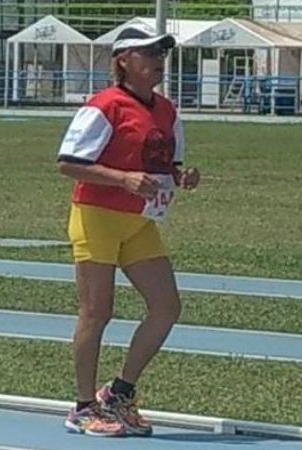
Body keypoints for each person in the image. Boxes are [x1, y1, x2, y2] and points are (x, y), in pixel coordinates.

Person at [57, 24, 201, 436]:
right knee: (96, 312)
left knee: (167, 306)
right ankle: (83, 407)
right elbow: (68, 162)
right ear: (124, 61)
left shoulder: (166, 110)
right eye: (149, 54)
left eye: (161, 55)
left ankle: (119, 393)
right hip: (97, 216)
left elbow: (163, 164)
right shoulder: (105, 106)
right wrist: (122, 179)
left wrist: (182, 176)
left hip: (139, 222)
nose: (158, 62)